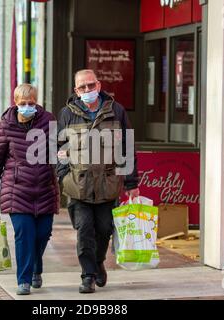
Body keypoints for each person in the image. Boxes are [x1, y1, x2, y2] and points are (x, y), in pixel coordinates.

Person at [57, 69, 140, 294]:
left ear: (99, 85)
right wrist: (63, 175)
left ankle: (99, 261)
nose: (87, 90)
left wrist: (132, 183)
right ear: (76, 90)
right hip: (78, 186)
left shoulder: (116, 111)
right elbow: (59, 149)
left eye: (90, 86)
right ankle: (88, 276)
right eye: (82, 87)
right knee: (84, 229)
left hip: (108, 186)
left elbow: (128, 147)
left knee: (104, 230)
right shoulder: (67, 114)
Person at [0, 84, 59, 296]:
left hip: (45, 188)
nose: (27, 107)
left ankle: (36, 265)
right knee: (24, 234)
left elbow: (56, 150)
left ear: (37, 103)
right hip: (16, 189)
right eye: (23, 104)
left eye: (31, 103)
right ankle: (24, 280)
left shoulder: (49, 121)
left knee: (42, 234)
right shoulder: (5, 126)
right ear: (15, 103)